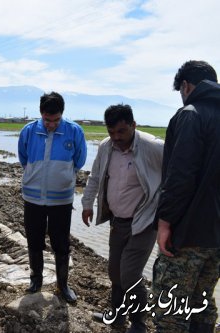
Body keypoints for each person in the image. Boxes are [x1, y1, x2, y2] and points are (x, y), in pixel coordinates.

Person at [81, 104, 163, 332]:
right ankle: (117, 316)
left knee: (130, 274)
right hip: (118, 221)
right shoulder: (106, 147)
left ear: (133, 125)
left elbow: (176, 175)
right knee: (115, 271)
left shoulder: (153, 147)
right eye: (111, 132)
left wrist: (169, 213)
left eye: (121, 132)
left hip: (144, 223)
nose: (116, 138)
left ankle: (139, 323)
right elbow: (96, 176)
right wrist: (87, 204)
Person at [152, 60, 220, 333]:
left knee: (171, 311)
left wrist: (165, 222)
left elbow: (179, 177)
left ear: (186, 85)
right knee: (202, 302)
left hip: (188, 233)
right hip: (216, 237)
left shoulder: (190, 114)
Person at [18, 91, 87, 304]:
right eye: (47, 120)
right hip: (33, 198)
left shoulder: (74, 131)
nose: (51, 125)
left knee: (60, 243)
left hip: (61, 200)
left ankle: (63, 285)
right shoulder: (29, 131)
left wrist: (63, 177)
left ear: (62, 115)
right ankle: (35, 279)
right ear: (41, 114)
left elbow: (80, 160)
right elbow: (24, 158)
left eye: (56, 120)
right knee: (34, 240)